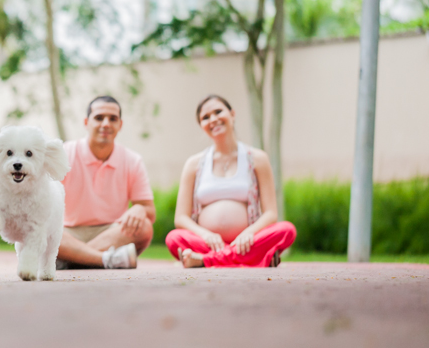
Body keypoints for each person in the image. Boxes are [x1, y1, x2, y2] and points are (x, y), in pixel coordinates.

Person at [165, 94, 296, 268]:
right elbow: (181, 218)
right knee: (174, 238)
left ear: (232, 114)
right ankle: (253, 259)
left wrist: (248, 233)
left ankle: (205, 260)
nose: (213, 119)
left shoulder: (258, 159)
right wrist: (205, 235)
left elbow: (271, 214)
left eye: (218, 112)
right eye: (205, 117)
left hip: (247, 241)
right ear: (202, 126)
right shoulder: (194, 164)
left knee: (286, 230)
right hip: (207, 243)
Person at [57, 96, 155, 269]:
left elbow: (150, 212)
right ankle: (106, 259)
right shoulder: (64, 154)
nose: (106, 124)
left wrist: (140, 208)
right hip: (68, 233)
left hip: (112, 232)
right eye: (99, 118)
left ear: (120, 125)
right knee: (41, 230)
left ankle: (71, 260)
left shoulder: (133, 160)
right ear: (86, 122)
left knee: (144, 227)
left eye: (113, 119)